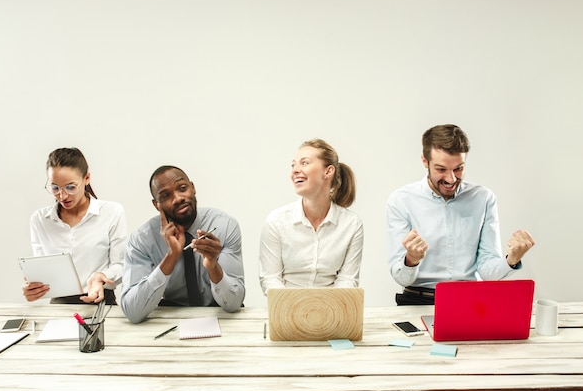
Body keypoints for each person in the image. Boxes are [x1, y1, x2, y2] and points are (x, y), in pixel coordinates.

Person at [386, 124, 536, 305]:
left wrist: (511, 259)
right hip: (418, 301)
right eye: (441, 169)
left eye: (458, 168)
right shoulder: (401, 200)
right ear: (425, 161)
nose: (451, 179)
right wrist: (411, 260)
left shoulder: (483, 198)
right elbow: (401, 278)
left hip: (471, 301)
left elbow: (487, 271)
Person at [121, 165, 245, 324]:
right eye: (165, 196)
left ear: (193, 188)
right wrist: (171, 257)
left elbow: (233, 303)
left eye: (182, 188)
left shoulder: (224, 225)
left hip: (220, 316)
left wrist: (213, 266)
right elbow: (132, 312)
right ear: (156, 204)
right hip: (171, 318)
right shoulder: (142, 239)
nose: (177, 198)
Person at [259, 139, 364, 295]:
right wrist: (296, 307)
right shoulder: (276, 221)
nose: (295, 170)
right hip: (286, 309)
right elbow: (270, 279)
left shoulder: (351, 224)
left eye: (305, 163)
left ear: (328, 171)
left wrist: (323, 309)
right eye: (293, 165)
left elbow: (347, 280)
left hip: (332, 310)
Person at [24, 147, 127, 304]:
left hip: (100, 302)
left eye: (71, 187)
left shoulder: (112, 212)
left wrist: (101, 277)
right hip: (60, 304)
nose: (62, 195)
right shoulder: (40, 220)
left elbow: (120, 265)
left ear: (87, 179)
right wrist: (33, 288)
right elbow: (43, 270)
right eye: (55, 188)